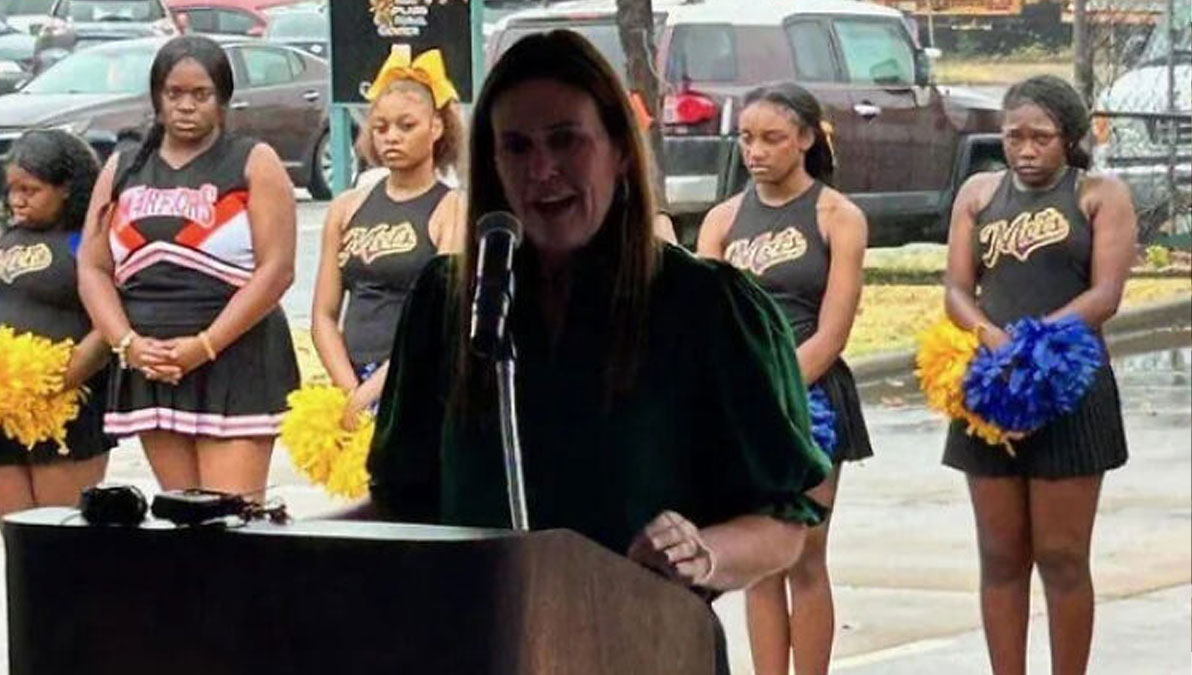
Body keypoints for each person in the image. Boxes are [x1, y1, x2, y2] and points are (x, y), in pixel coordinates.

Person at [352, 30, 832, 672]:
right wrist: (271, 540)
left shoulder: (704, 306)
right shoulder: (447, 301)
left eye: (566, 140)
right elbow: (402, 503)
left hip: (641, 647)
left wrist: (700, 552)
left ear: (620, 152)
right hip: (477, 646)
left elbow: (781, 524)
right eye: (516, 147)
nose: (542, 170)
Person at [942, 74, 1135, 675]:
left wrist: (1035, 341)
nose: (1025, 150)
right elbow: (956, 289)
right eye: (1014, 137)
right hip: (990, 387)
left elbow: (1105, 294)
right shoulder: (978, 193)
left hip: (1070, 387)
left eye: (1041, 137)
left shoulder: (1100, 195)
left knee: (1061, 556)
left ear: (1070, 138)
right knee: (1000, 556)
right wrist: (992, 339)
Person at [698, 83, 872, 675]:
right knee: (760, 564)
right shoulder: (723, 220)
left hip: (812, 396)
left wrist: (779, 392)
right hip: (744, 402)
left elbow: (834, 331)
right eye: (747, 138)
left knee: (804, 555)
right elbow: (709, 323)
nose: (756, 151)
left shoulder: (838, 216)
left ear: (805, 139)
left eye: (772, 138)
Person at [77, 35, 299, 500]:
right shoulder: (123, 166)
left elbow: (277, 269)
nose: (185, 106)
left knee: (232, 520)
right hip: (153, 367)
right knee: (183, 522)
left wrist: (206, 345)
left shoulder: (253, 161)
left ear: (223, 100)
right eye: (174, 93)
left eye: (201, 94)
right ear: (157, 97)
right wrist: (127, 344)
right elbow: (93, 268)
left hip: (235, 360)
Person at [310, 48, 466, 424]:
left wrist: (372, 392)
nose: (391, 137)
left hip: (418, 385)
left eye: (406, 126)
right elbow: (323, 315)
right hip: (350, 383)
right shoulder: (345, 207)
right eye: (380, 128)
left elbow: (438, 320)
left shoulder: (453, 208)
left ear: (436, 128)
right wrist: (350, 392)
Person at [0, 130, 115, 526]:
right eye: (12, 189)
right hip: (0, 411)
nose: (17, 199)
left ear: (66, 188)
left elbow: (112, 316)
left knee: (59, 535)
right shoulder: (5, 238)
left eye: (30, 189)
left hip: (66, 409)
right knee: (17, 536)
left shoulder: (87, 241)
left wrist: (70, 371)